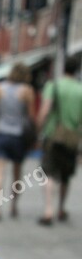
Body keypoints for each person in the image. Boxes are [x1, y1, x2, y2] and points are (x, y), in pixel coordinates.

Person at [37, 56, 82, 225]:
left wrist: (38, 129)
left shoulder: (53, 86)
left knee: (48, 172)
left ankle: (48, 209)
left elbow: (45, 110)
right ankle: (61, 208)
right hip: (72, 138)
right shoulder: (80, 90)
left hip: (53, 136)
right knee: (65, 175)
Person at [0, 63, 35, 220]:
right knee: (17, 173)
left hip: (1, 132)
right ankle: (14, 206)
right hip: (18, 136)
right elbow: (30, 116)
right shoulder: (27, 91)